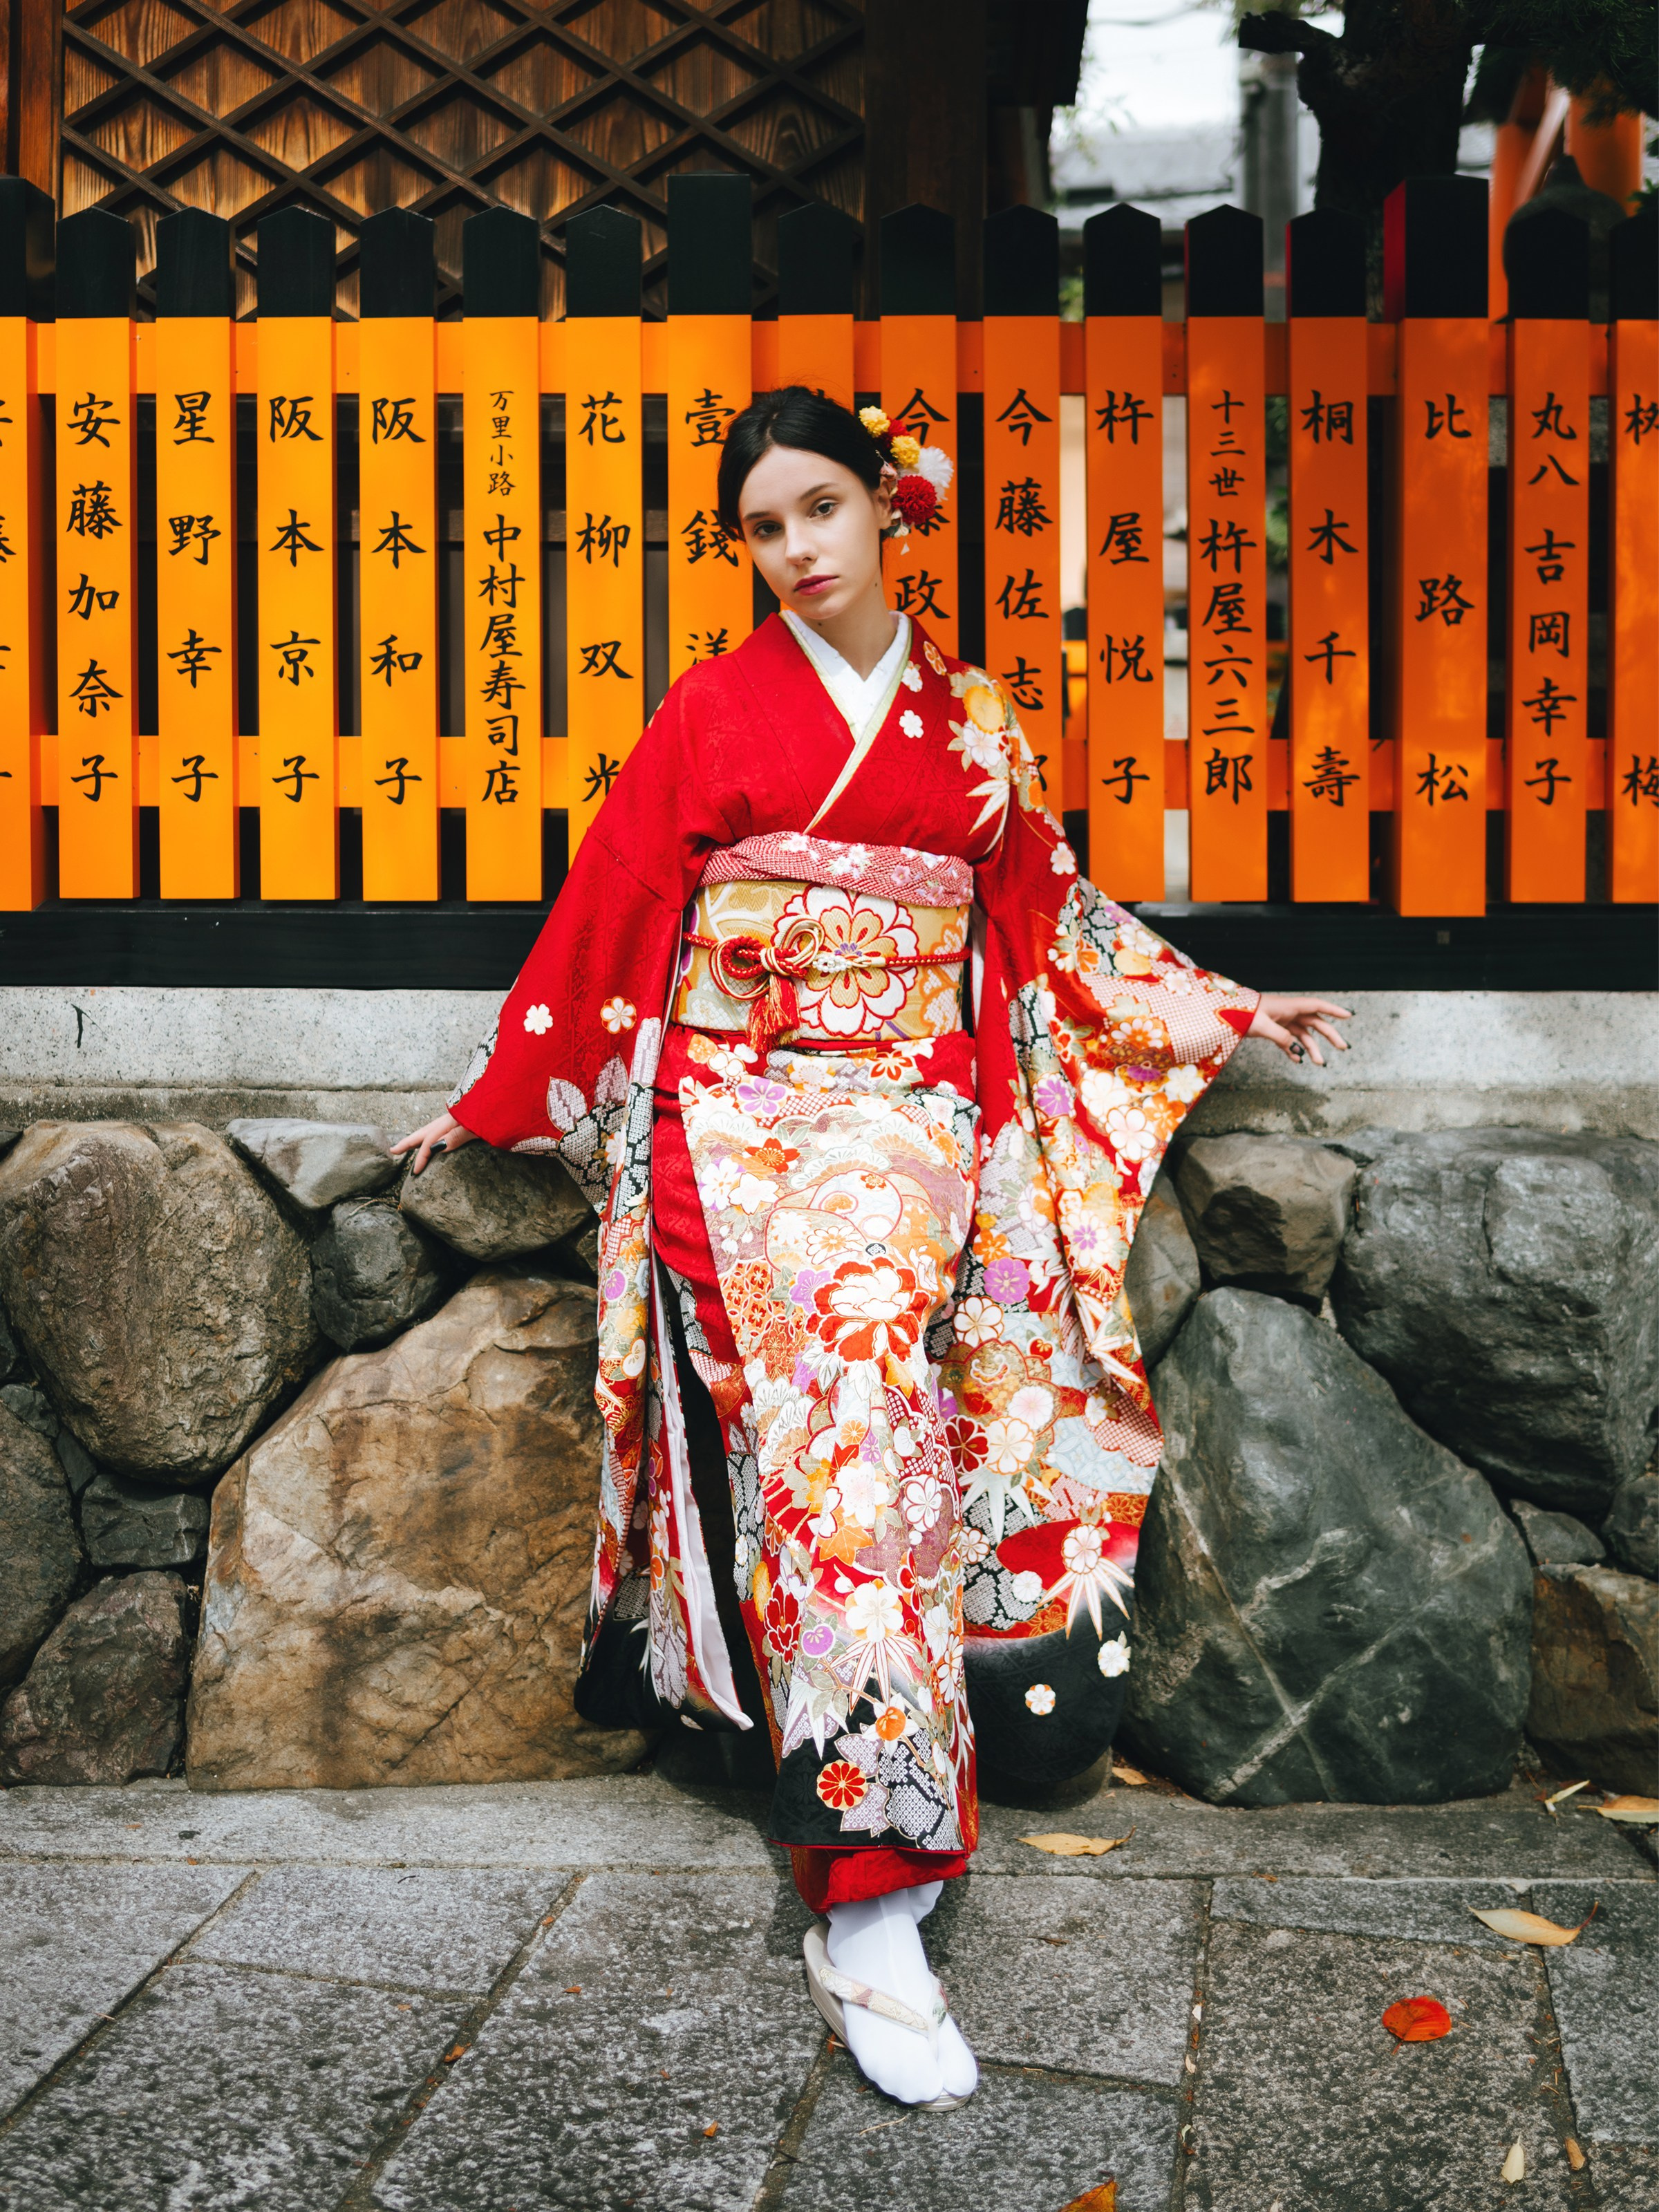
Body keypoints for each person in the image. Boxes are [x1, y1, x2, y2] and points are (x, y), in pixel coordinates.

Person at [394, 388, 1350, 2112]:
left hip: (905, 1117)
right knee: (824, 1436)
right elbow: (617, 901)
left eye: (821, 509)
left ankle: (873, 1861)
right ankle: (872, 1867)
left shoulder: (968, 718)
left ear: (886, 514)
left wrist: (1217, 1000)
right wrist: (494, 1097)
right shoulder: (714, 709)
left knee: (856, 1412)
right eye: (764, 530)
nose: (796, 552)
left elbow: (1045, 907)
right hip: (728, 1105)